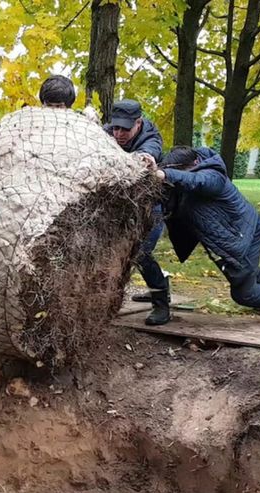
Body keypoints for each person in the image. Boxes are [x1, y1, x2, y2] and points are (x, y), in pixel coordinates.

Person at [155, 146, 260, 313]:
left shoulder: (213, 175)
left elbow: (197, 181)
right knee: (248, 273)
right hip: (229, 238)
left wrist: (167, 175)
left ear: (195, 163)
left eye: (181, 172)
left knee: (243, 293)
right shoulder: (181, 183)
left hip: (245, 232)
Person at [104, 99, 168, 325]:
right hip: (120, 206)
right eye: (116, 127)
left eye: (125, 129)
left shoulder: (151, 138)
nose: (119, 134)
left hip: (150, 208)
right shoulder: (107, 132)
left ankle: (161, 303)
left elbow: (150, 154)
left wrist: (145, 159)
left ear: (138, 123)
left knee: (139, 253)